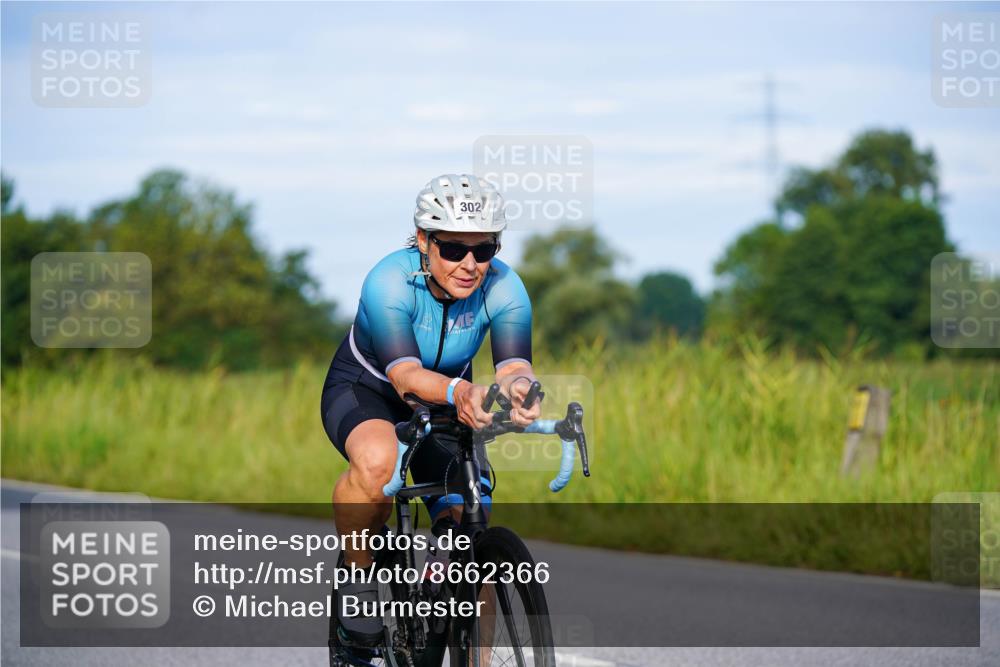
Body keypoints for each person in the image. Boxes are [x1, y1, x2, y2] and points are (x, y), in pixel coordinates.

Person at [321, 173, 541, 647]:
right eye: (453, 249)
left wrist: (523, 391)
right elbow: (403, 376)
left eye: (484, 251)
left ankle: (463, 634)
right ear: (423, 240)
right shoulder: (388, 280)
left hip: (445, 397)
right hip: (368, 390)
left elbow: (514, 365)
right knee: (379, 465)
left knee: (470, 518)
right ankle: (357, 580)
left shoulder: (506, 287)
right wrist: (462, 393)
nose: (469, 265)